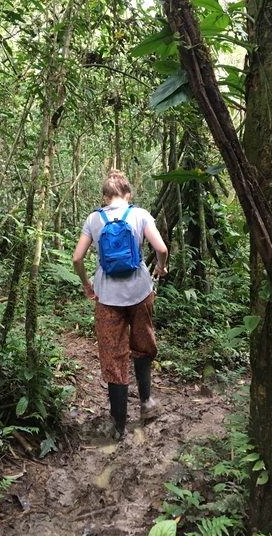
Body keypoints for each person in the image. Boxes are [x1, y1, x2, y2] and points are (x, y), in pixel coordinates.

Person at [72, 169, 168, 439]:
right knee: (142, 342)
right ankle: (147, 404)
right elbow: (161, 249)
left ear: (105, 196)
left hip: (107, 298)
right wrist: (160, 267)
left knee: (113, 355)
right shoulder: (139, 214)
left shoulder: (94, 218)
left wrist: (87, 285)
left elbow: (77, 258)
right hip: (140, 292)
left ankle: (119, 425)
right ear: (128, 195)